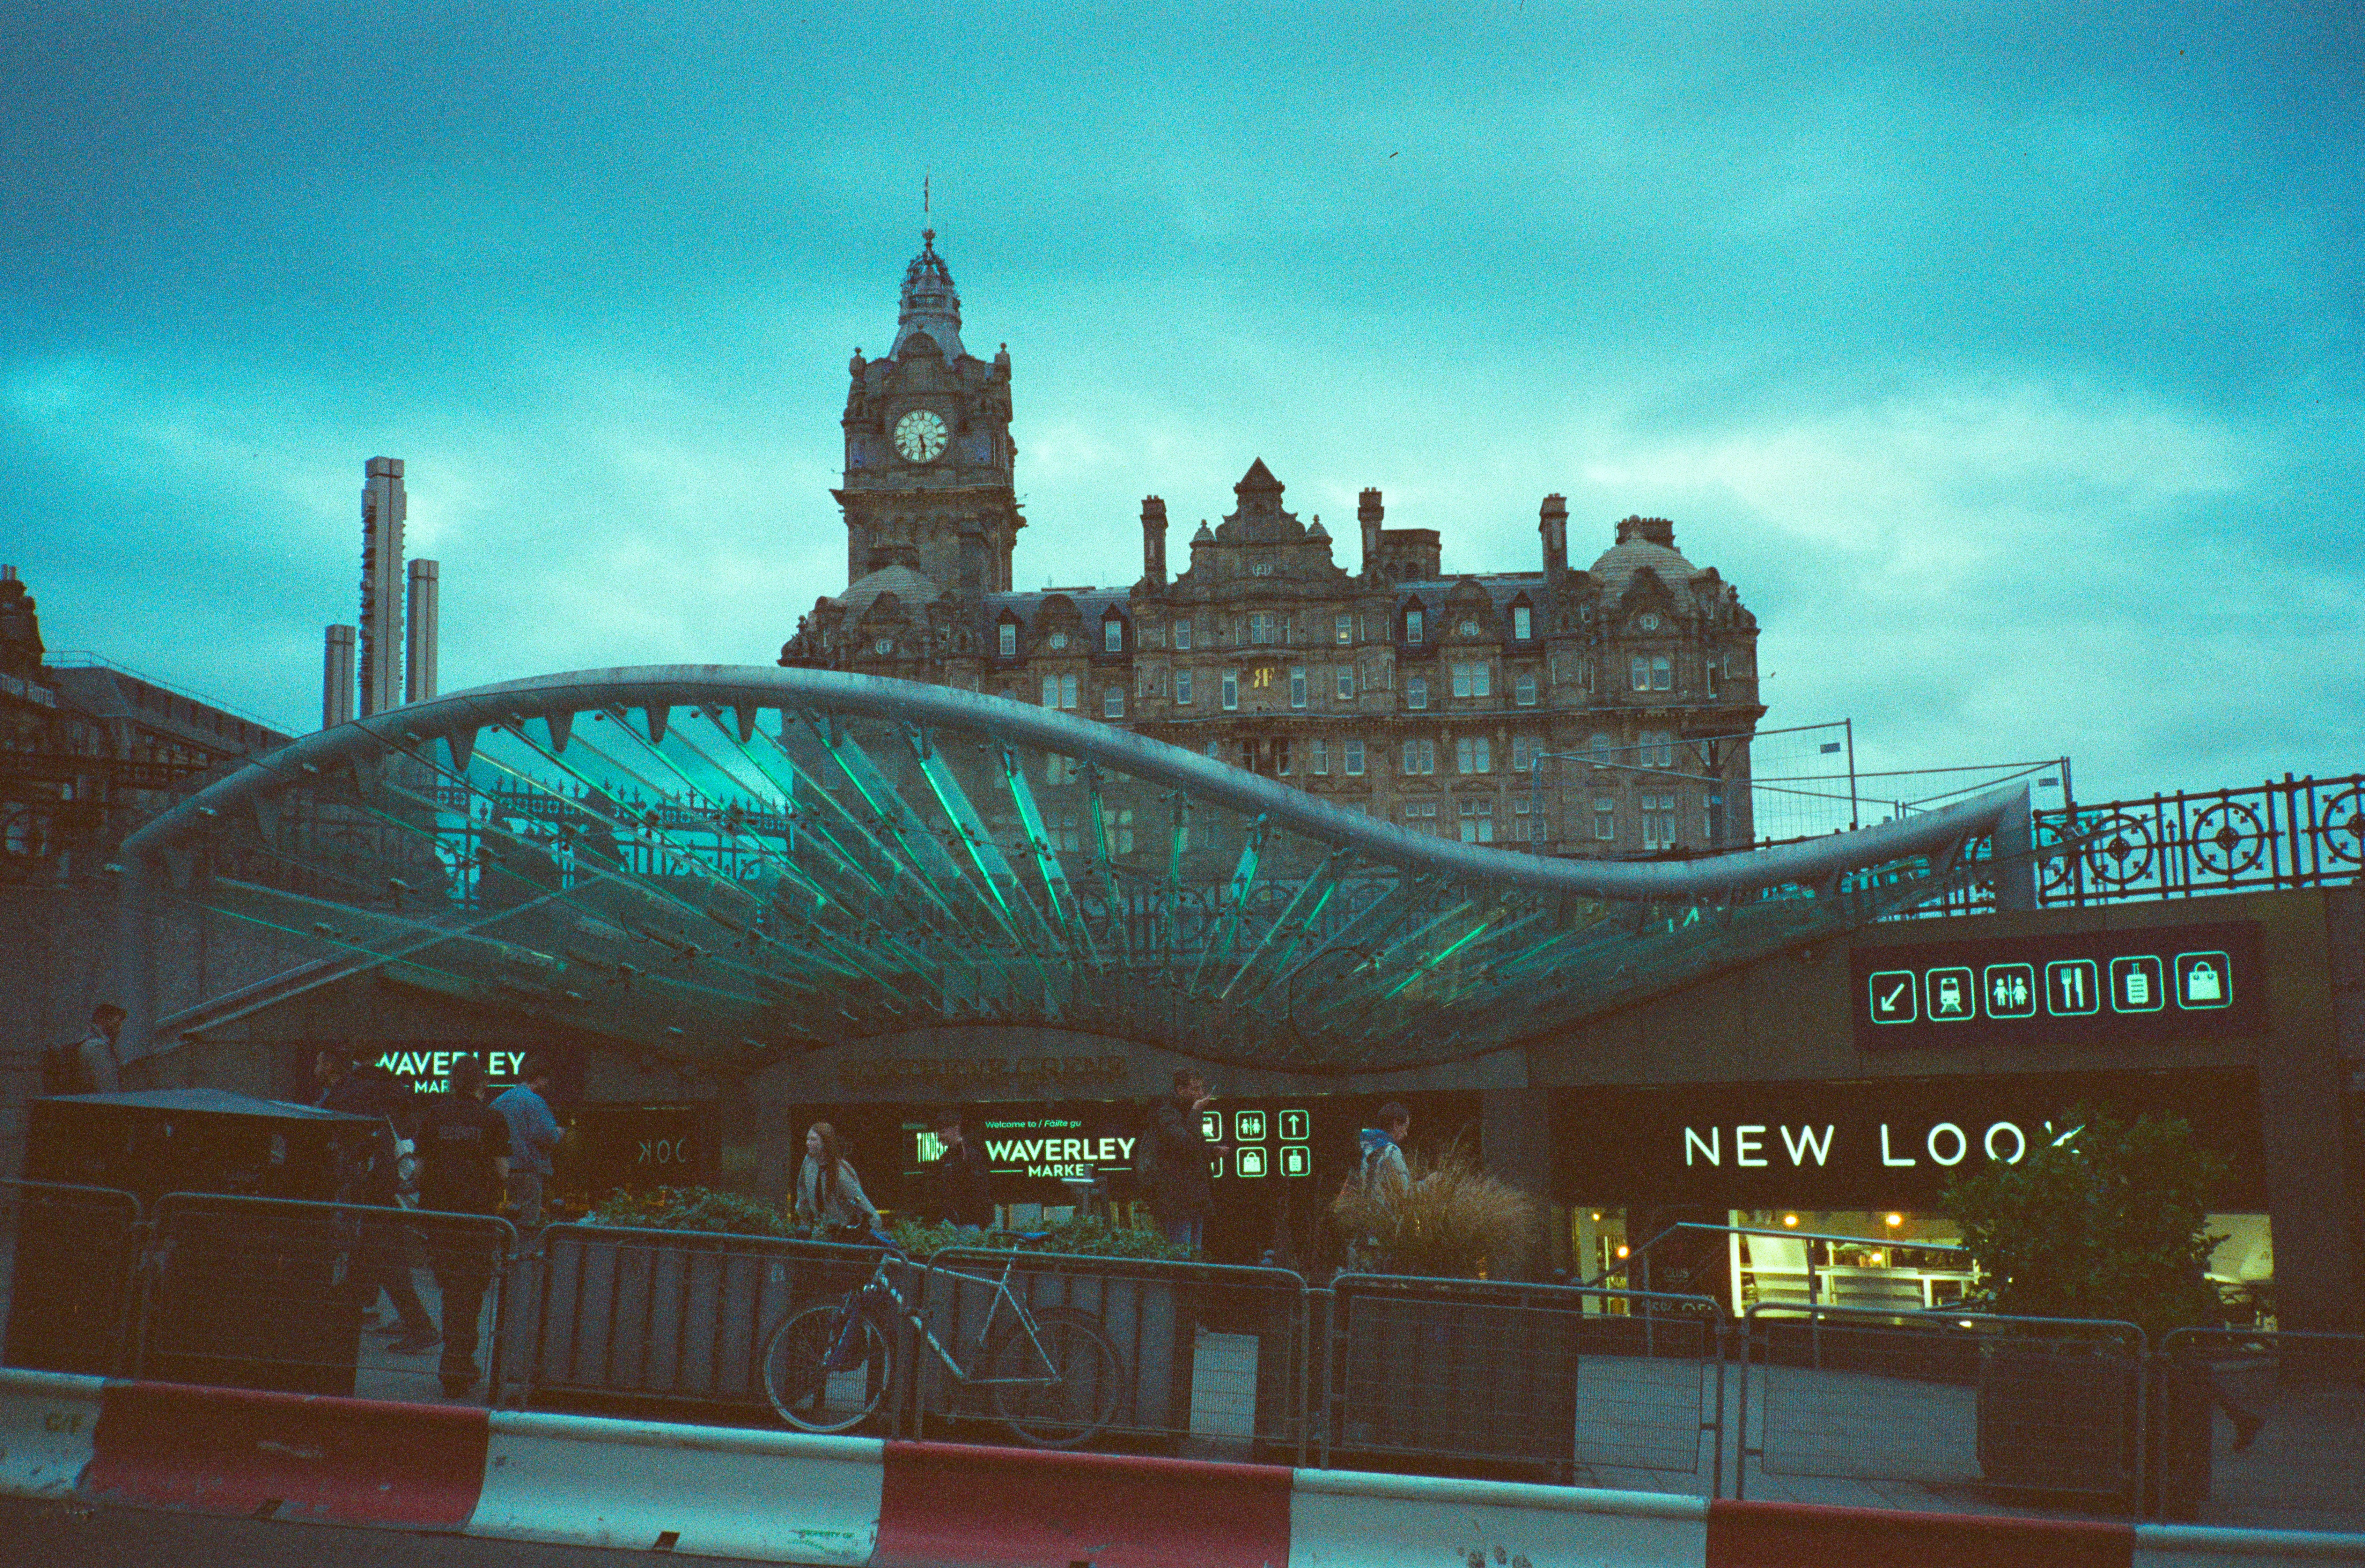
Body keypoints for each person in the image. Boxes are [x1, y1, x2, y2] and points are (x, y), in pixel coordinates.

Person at [318, 1047, 437, 1354]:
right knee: (376, 1257)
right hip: (387, 1184)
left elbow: (331, 1130)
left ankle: (418, 1326)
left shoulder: (350, 1092)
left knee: (382, 1258)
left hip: (365, 1185)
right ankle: (349, 1316)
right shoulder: (392, 1088)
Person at [414, 1055, 509, 1398]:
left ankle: (453, 1362)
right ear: (482, 1084)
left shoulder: (434, 1116)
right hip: (477, 1219)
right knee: (469, 1292)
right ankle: (458, 1362)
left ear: (452, 1082)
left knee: (450, 1288)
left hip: (440, 1219)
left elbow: (419, 1171)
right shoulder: (493, 1119)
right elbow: (502, 1171)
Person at [1149, 1070, 1226, 1257]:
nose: (1201, 1094)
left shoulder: (1188, 1114)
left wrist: (1211, 1153)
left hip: (1195, 1197)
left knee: (1194, 1253)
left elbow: (1194, 1150)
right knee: (1182, 1255)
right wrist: (1196, 1113)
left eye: (1202, 1089)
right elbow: (1184, 1146)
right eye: (1195, 1089)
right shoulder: (1167, 1113)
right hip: (1177, 1198)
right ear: (1181, 1090)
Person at [491, 1058, 561, 1230]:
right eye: (546, 1080)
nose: (548, 1085)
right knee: (528, 1225)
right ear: (538, 1079)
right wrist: (558, 1132)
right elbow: (548, 1137)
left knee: (503, 1225)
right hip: (529, 1171)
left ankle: (506, 1254)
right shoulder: (534, 1101)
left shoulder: (499, 1102)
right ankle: (522, 1255)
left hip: (501, 1172)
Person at [794, 1122, 881, 1242]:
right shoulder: (809, 1162)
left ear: (825, 1143)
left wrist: (869, 1240)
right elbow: (802, 1189)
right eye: (808, 1139)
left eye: (813, 1140)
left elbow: (867, 1210)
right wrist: (804, 1220)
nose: (808, 1143)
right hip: (819, 1232)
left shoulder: (841, 1174)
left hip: (842, 1236)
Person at [923, 1108, 992, 1234]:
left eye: (943, 1132)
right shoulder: (949, 1157)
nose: (939, 1137)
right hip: (958, 1223)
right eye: (938, 1132)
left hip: (968, 1224)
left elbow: (979, 1191)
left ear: (956, 1129)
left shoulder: (969, 1155)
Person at [74, 1004, 126, 1093]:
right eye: (116, 1024)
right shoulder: (97, 1047)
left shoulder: (88, 1042)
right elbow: (108, 1089)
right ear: (101, 1021)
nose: (119, 1030)